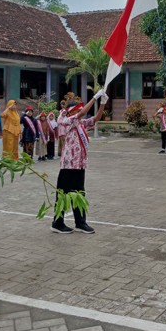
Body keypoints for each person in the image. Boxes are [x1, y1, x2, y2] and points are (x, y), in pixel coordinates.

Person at [51, 92, 106, 234]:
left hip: (80, 164)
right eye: (77, 110)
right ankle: (57, 223)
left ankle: (80, 223)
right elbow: (83, 113)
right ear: (71, 111)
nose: (79, 112)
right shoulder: (65, 120)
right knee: (63, 194)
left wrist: (102, 103)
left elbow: (95, 119)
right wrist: (94, 98)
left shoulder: (80, 123)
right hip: (68, 165)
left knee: (79, 194)